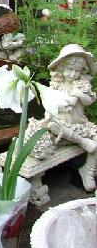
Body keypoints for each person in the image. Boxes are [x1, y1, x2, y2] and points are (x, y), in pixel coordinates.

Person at [45, 44, 97, 191]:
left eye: (77, 71)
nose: (73, 74)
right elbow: (50, 104)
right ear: (61, 67)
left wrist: (79, 93)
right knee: (51, 126)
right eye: (69, 70)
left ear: (82, 70)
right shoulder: (56, 84)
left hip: (80, 125)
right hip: (61, 125)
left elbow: (89, 101)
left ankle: (87, 170)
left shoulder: (82, 83)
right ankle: (83, 142)